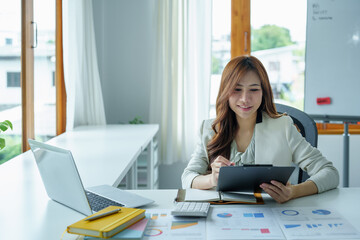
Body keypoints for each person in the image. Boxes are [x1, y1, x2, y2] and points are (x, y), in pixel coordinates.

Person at [181, 55, 339, 203]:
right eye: (237, 89)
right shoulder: (210, 129)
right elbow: (187, 178)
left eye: (254, 89)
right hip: (223, 217)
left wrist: (293, 192)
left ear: (264, 92)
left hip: (273, 216)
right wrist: (211, 179)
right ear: (225, 92)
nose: (245, 99)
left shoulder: (283, 126)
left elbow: (330, 173)